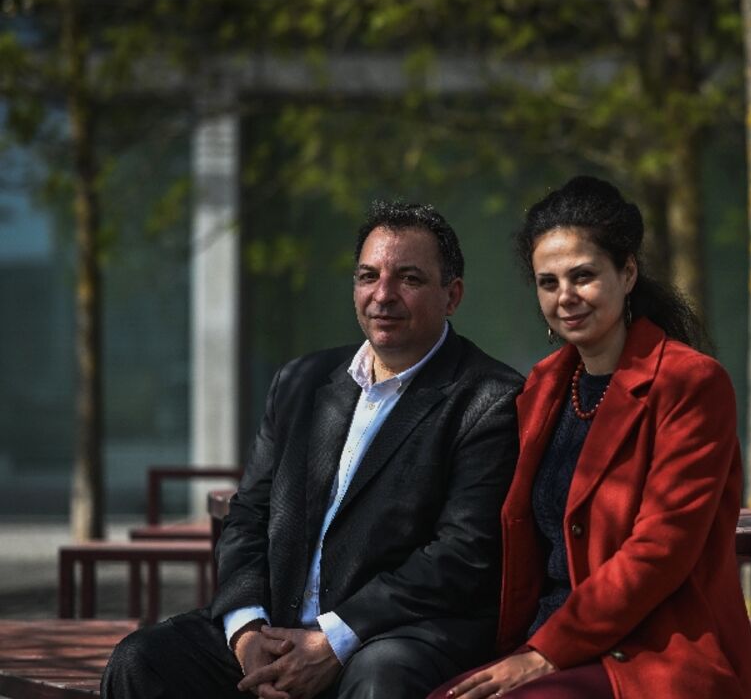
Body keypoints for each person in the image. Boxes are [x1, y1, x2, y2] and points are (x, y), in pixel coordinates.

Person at [102, 201, 523, 699]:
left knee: (381, 680)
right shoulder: (301, 382)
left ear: (451, 295)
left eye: (408, 279)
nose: (382, 295)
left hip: (390, 632)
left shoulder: (489, 398)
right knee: (143, 661)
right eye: (368, 276)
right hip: (275, 625)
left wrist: (335, 640)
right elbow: (249, 515)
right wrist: (246, 631)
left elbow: (461, 553)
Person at [431, 176, 751, 699]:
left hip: (653, 650)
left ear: (627, 273)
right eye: (548, 282)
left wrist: (542, 655)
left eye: (583, 276)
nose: (566, 298)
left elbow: (659, 550)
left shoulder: (689, 383)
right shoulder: (542, 387)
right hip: (549, 636)